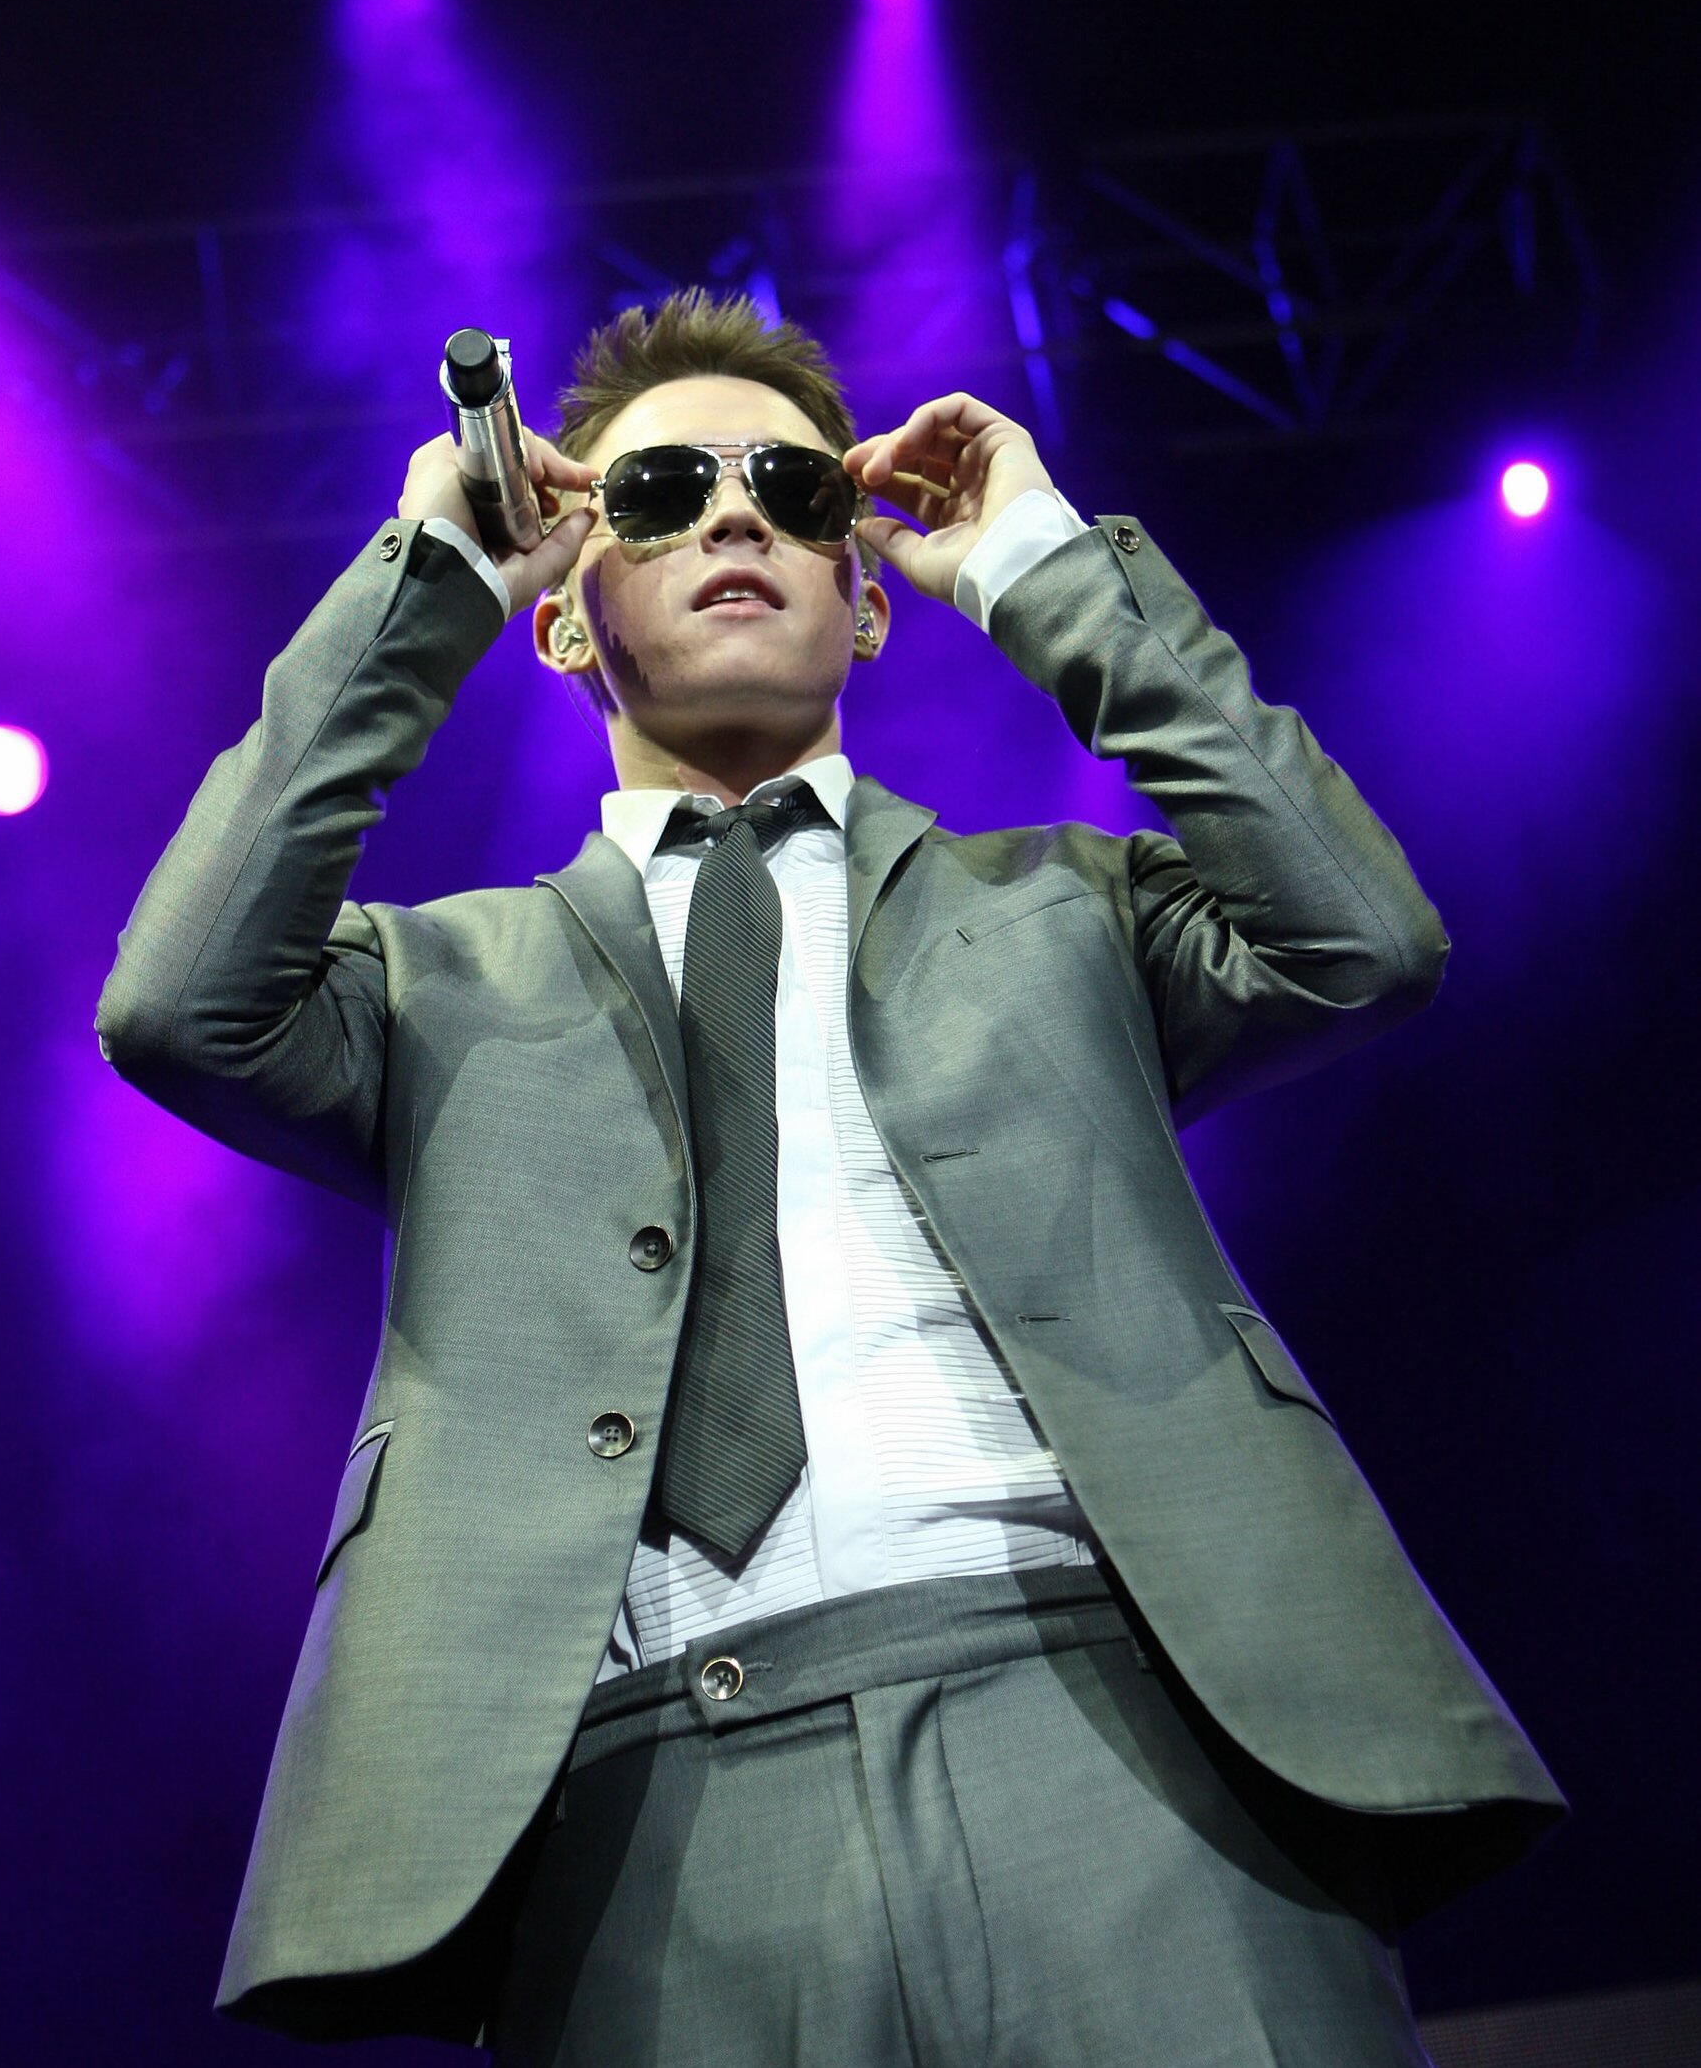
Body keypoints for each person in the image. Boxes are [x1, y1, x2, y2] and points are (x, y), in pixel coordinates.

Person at [97, 290, 1564, 2065]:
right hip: (655, 1828)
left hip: (1128, 1752)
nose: (733, 515)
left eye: (793, 491)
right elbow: (178, 1005)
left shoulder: (1068, 905)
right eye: (659, 496)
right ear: (558, 615)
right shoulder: (433, 985)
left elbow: (1362, 941)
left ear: (868, 601)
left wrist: (1039, 567)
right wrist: (432, 584)